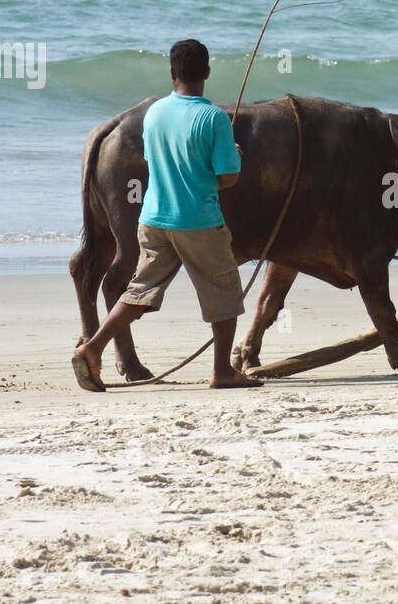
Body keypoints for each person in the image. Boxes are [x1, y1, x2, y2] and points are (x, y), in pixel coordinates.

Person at [72, 38, 263, 390]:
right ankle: (222, 371)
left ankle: (92, 348)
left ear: (172, 73)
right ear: (206, 73)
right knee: (225, 294)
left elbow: (154, 161)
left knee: (139, 292)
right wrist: (234, 155)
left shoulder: (155, 112)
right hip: (199, 221)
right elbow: (228, 178)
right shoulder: (214, 117)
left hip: (154, 219)